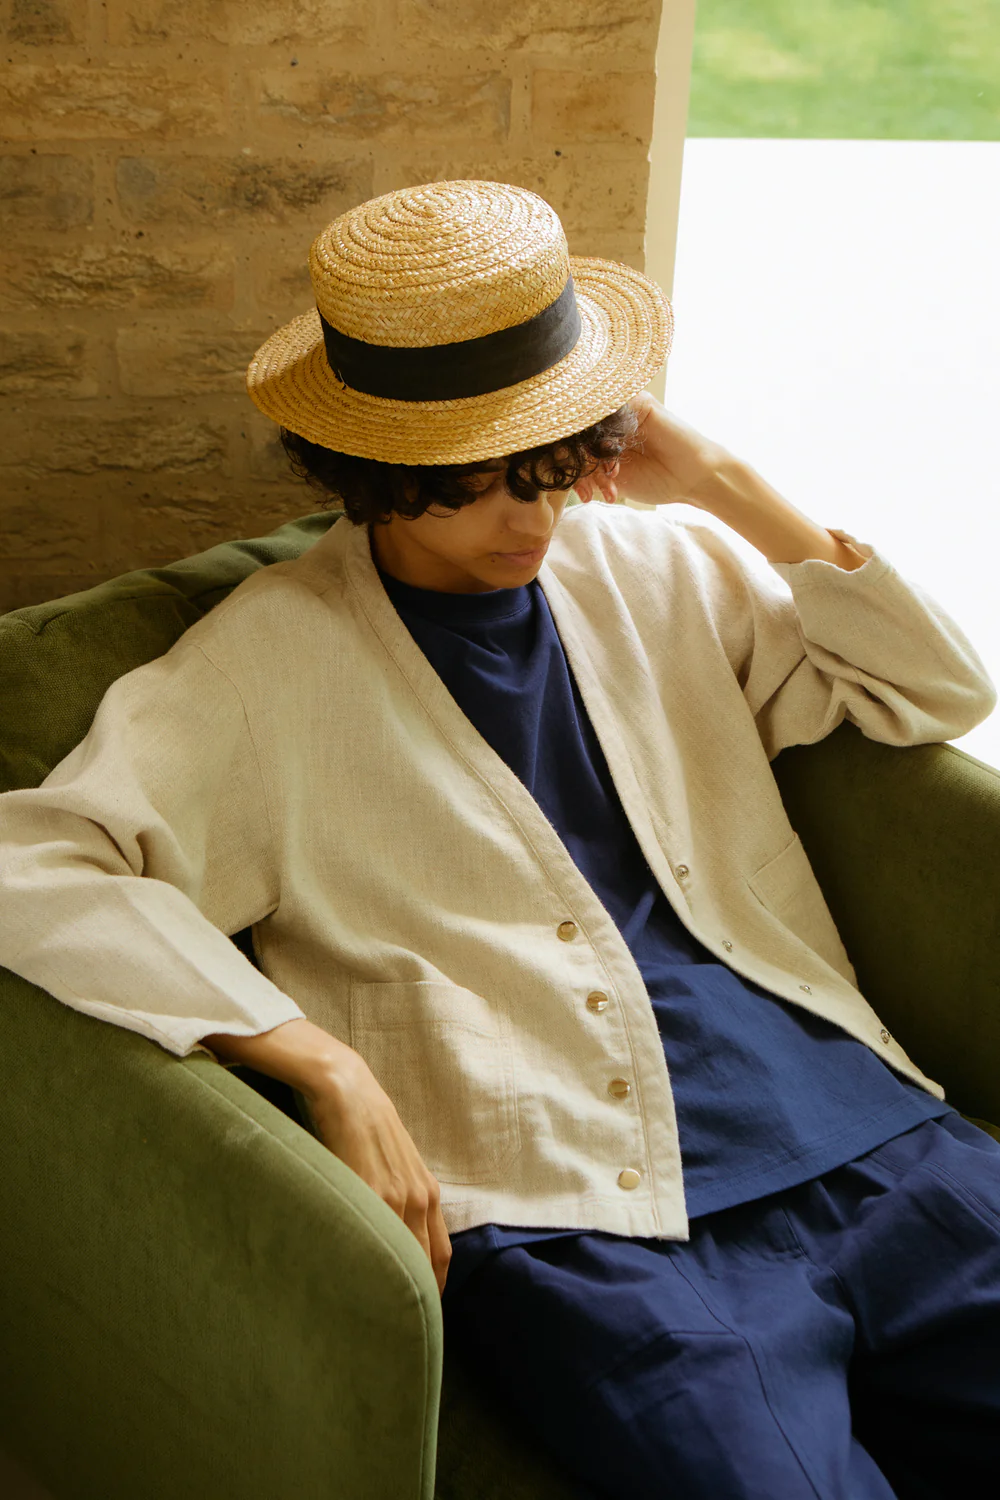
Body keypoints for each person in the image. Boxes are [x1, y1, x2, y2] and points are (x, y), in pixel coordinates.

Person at [0, 180, 998, 1500]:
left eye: (553, 471)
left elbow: (936, 689)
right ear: (373, 476)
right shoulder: (258, 671)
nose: (530, 525)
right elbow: (33, 867)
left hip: (878, 1146)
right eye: (474, 491)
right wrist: (310, 1059)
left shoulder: (656, 570)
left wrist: (722, 484)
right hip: (588, 1229)